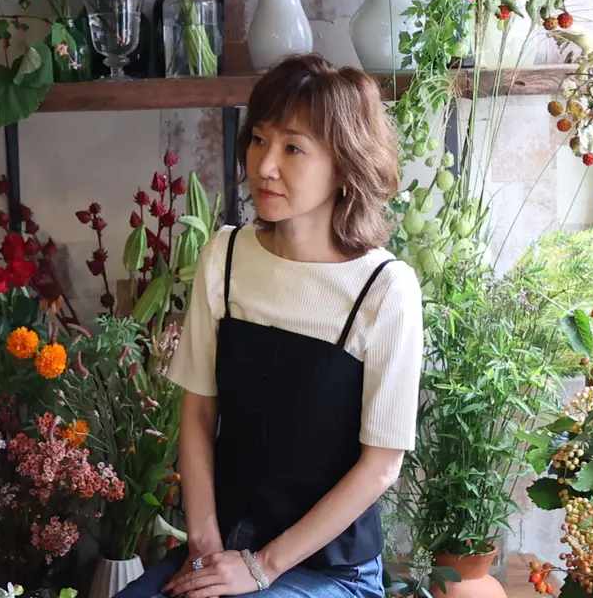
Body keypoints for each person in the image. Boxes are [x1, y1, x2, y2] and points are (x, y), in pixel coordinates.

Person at [117, 55, 424, 598]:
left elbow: (381, 467)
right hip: (223, 550)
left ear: (344, 164)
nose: (264, 166)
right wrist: (207, 546)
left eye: (293, 147)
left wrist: (261, 567)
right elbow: (198, 411)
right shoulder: (226, 258)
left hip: (329, 571)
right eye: (259, 140)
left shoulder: (383, 289)